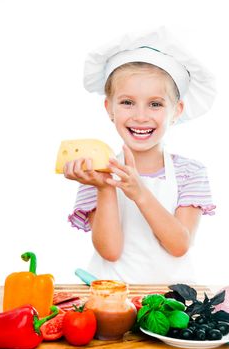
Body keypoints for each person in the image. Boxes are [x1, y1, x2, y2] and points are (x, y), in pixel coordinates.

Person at [64, 27, 216, 284]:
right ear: (109, 108)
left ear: (177, 110)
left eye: (155, 104)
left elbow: (179, 245)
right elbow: (110, 252)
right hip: (111, 300)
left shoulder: (190, 173)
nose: (141, 115)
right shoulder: (95, 171)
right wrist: (104, 189)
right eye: (127, 102)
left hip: (171, 303)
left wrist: (139, 192)